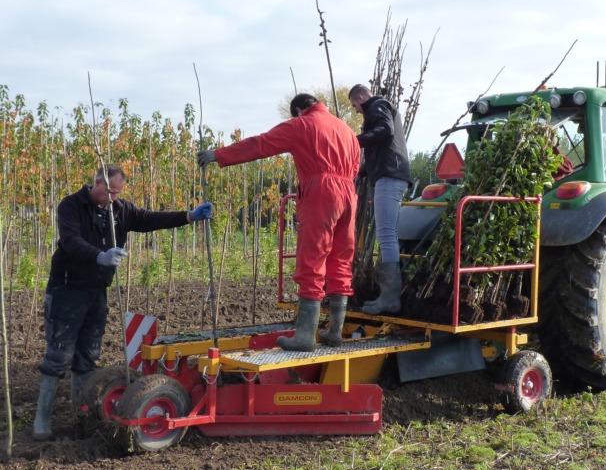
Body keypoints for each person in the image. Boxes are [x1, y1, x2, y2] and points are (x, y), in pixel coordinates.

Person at [33, 164, 213, 441]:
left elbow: (150, 219)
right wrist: (100, 256)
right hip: (67, 290)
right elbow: (70, 241)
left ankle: (79, 414)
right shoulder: (71, 206)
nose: (114, 198)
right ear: (98, 183)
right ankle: (41, 419)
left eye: (118, 193)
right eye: (111, 192)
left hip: (97, 291)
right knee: (59, 355)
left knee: (87, 356)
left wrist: (189, 216)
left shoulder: (120, 210)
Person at [197, 93, 360, 351]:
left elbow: (259, 144)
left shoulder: (301, 124)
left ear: (297, 110)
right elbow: (356, 167)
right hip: (349, 194)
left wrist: (218, 154)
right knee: (340, 259)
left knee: (312, 258)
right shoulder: (347, 130)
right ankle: (335, 332)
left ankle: (305, 336)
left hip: (321, 191)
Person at [348, 84, 412, 314]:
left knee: (386, 234)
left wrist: (354, 141)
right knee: (387, 233)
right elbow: (382, 147)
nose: (356, 110)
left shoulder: (377, 106)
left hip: (390, 176)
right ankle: (388, 297)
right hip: (391, 173)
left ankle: (390, 298)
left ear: (360, 97)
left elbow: (385, 130)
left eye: (354, 105)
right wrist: (360, 171)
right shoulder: (380, 107)